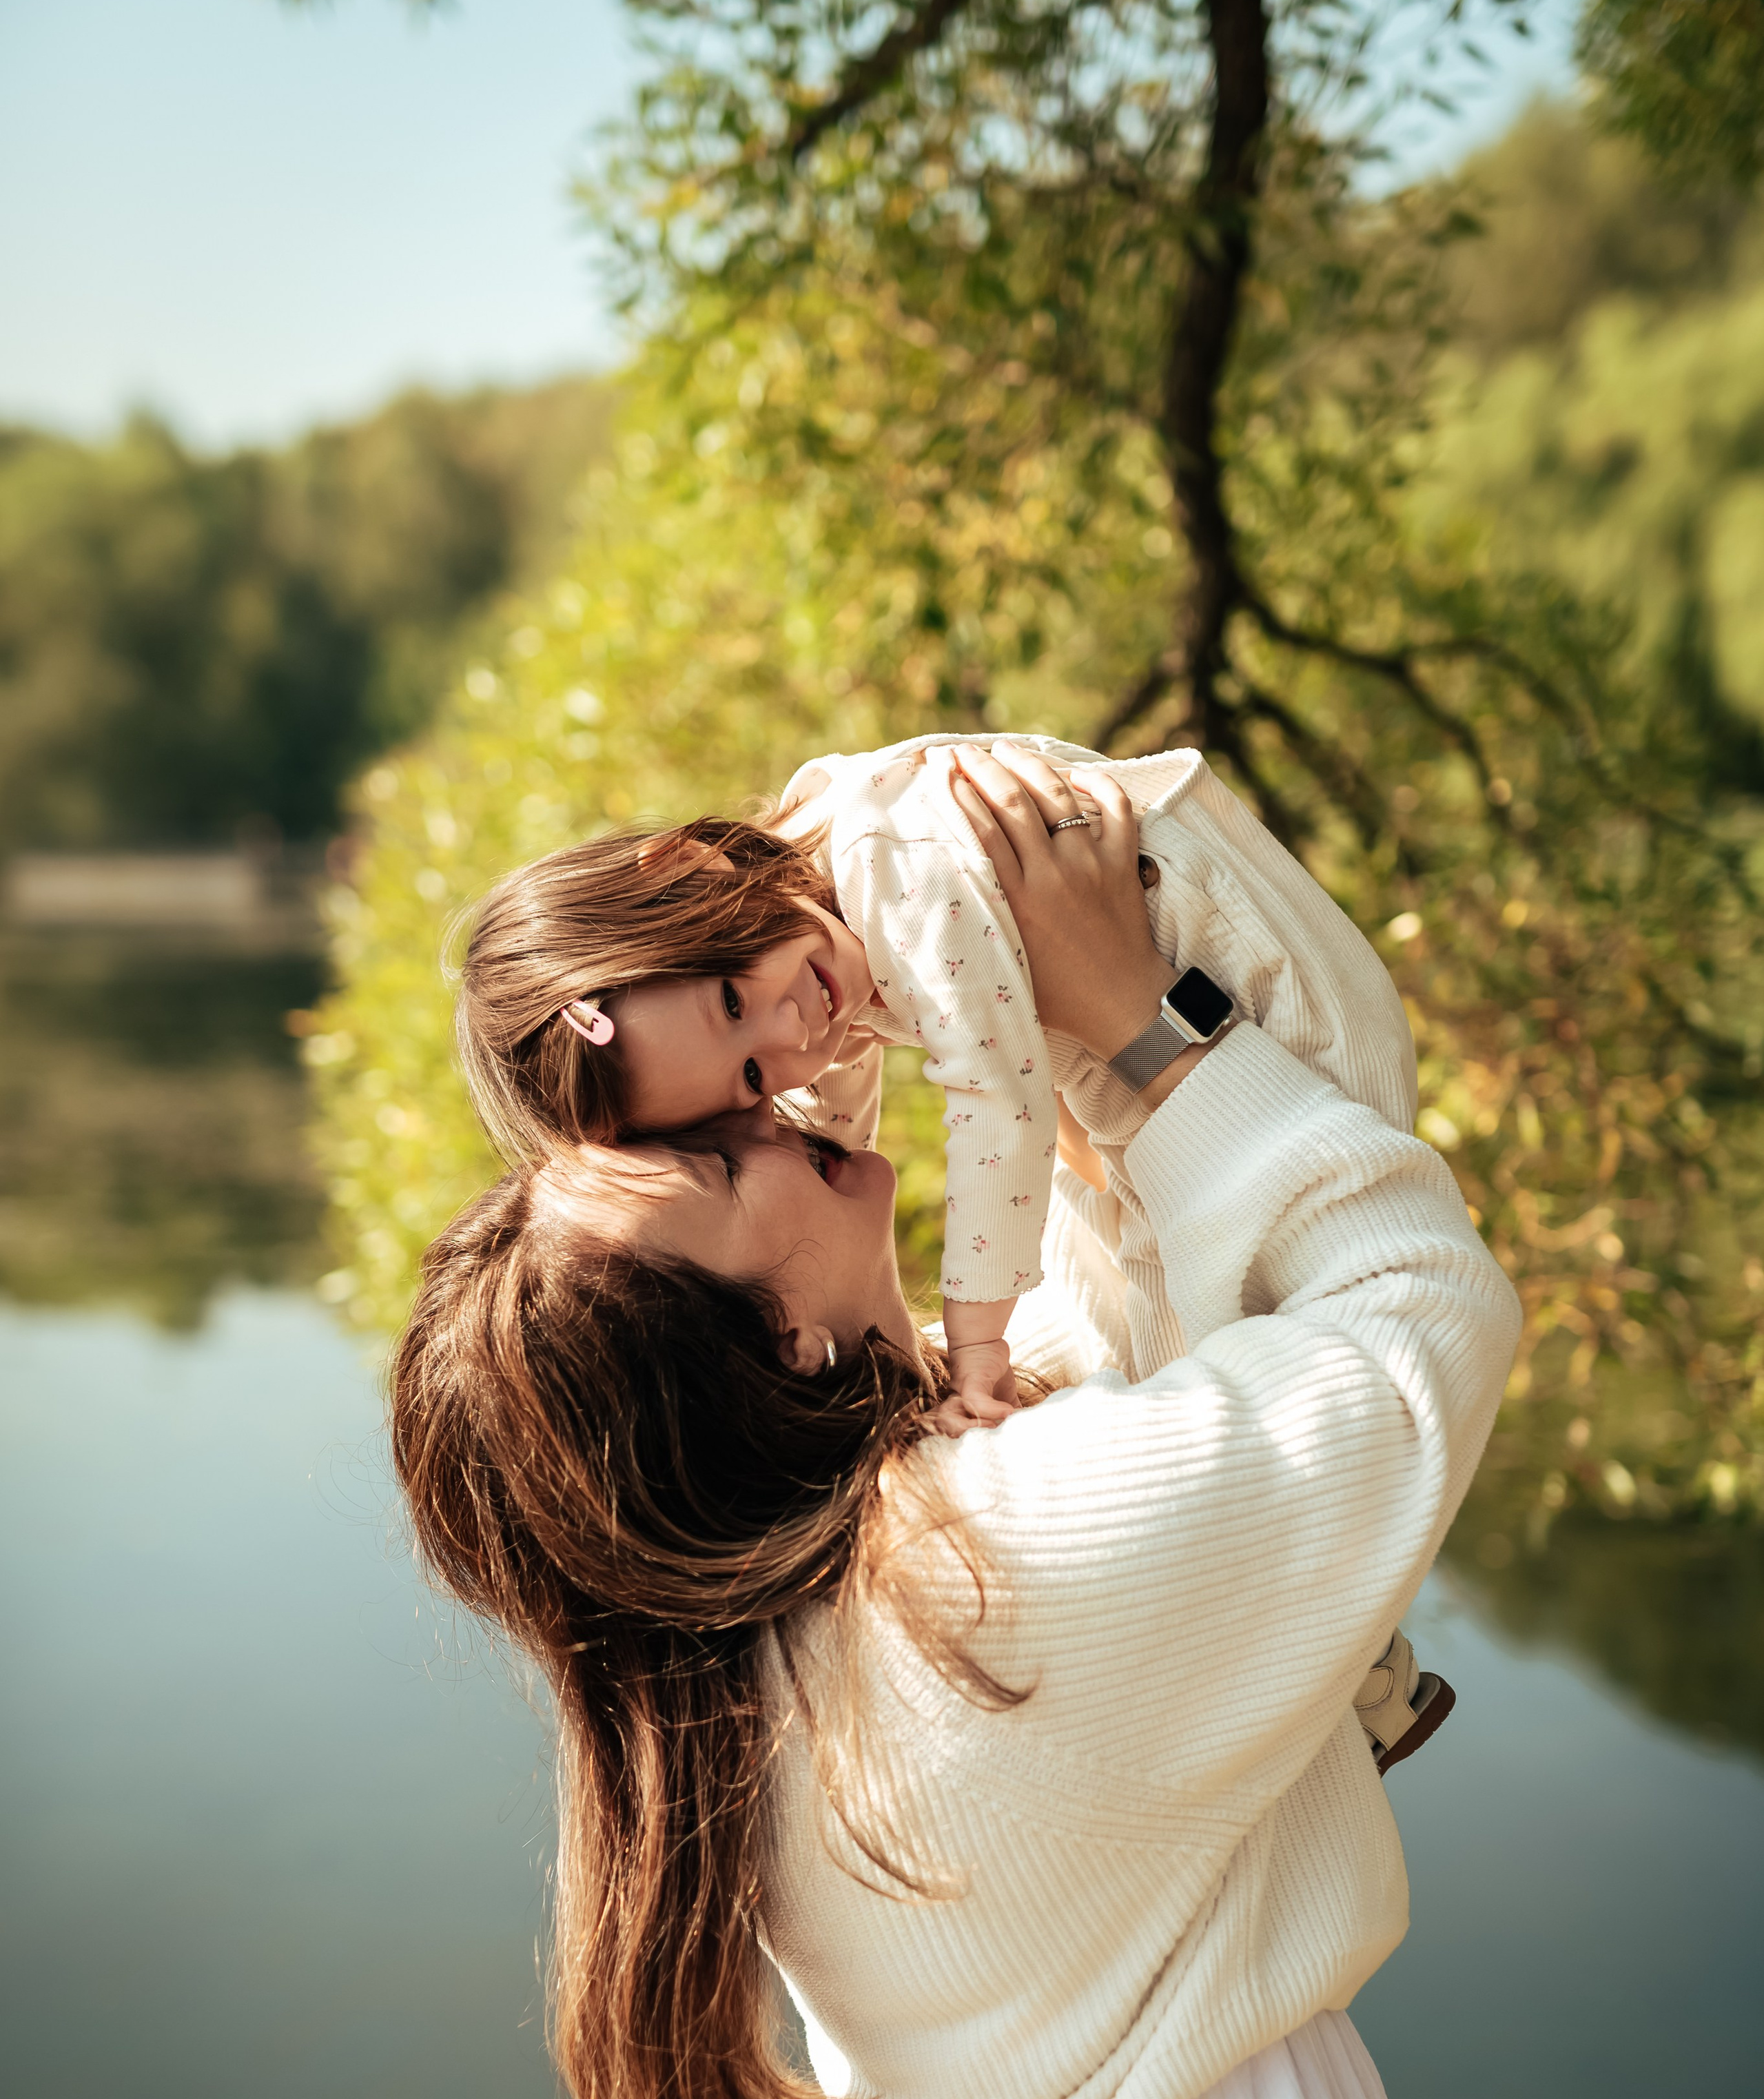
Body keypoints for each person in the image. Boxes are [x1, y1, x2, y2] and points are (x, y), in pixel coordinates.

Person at [391, 742, 1521, 2099]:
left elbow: (1115, 1351)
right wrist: (1144, 1034)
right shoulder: (985, 1580)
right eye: (713, 1161)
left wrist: (1051, 1023)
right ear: (779, 1345)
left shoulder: (771, 1611)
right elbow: (1414, 1313)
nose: (757, 1114)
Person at [449, 730, 1451, 1770]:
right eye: (748, 1087)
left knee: (1245, 1311)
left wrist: (977, 1342)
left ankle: (1354, 1664)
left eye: (733, 1004)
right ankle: (1353, 1665)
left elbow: (999, 1105)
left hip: (1280, 1002)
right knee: (1223, 1317)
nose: (792, 1038)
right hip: (1212, 1017)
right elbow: (846, 1098)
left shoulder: (895, 876)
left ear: (680, 869)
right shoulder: (810, 916)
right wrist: (828, 1162)